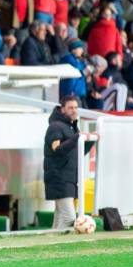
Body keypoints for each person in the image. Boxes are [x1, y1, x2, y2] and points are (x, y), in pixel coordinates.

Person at [43, 96, 86, 229]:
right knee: (68, 218)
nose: (74, 111)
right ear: (62, 110)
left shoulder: (72, 128)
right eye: (70, 108)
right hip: (59, 179)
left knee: (60, 217)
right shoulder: (56, 127)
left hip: (69, 179)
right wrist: (77, 138)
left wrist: (87, 142)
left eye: (76, 107)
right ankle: (59, 244)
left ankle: (51, 245)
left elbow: (75, 151)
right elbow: (57, 150)